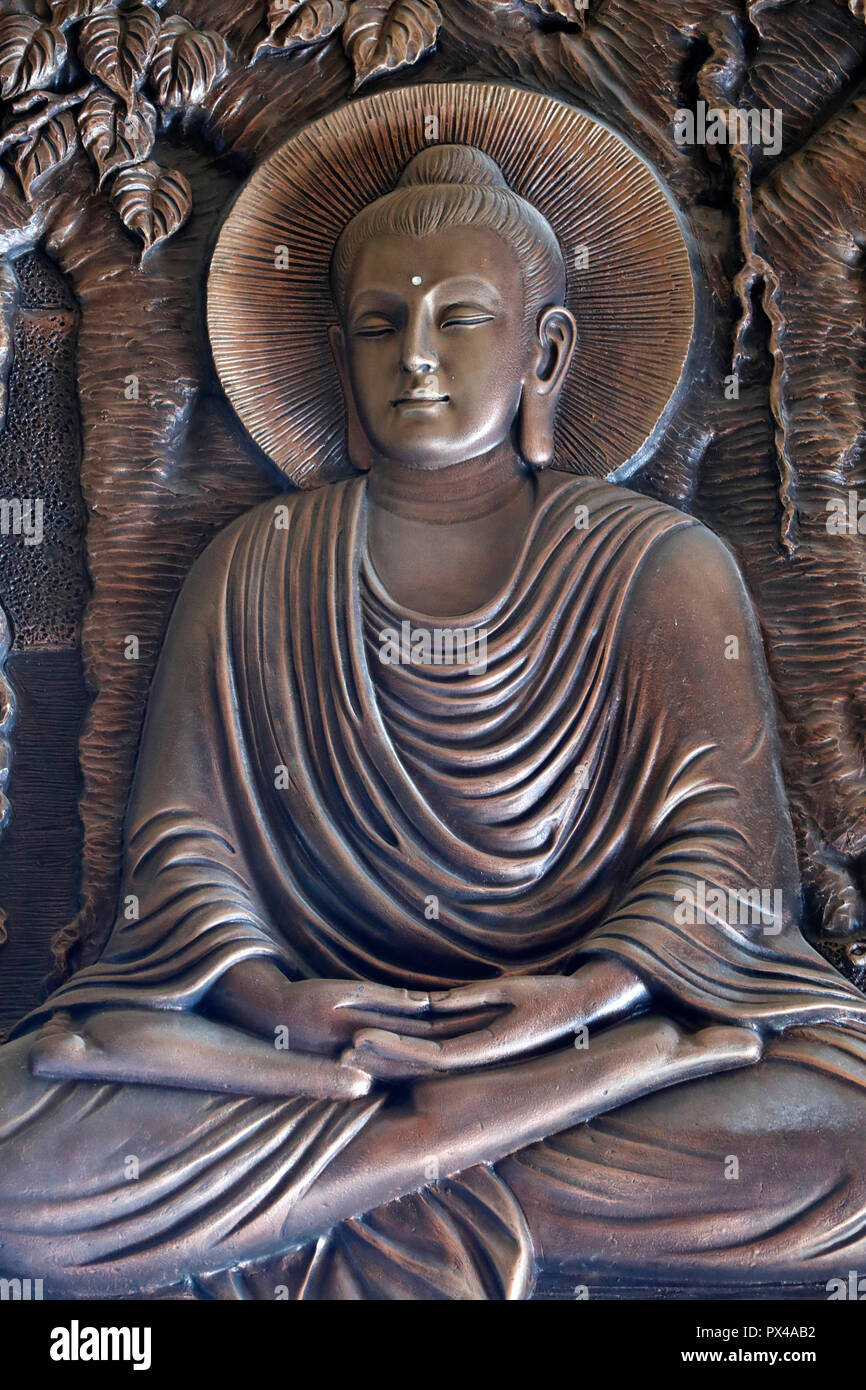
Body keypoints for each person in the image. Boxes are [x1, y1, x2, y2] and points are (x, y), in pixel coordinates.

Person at [2, 145, 865, 1300]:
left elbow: (720, 860)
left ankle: (360, 1183)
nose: (412, 357)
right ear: (333, 352)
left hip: (575, 1036)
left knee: (843, 1143)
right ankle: (456, 1150)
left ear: (544, 352)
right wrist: (275, 1002)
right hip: (312, 1056)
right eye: (374, 326)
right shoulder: (253, 569)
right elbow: (181, 860)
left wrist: (585, 996)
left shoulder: (660, 566)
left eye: (459, 318)